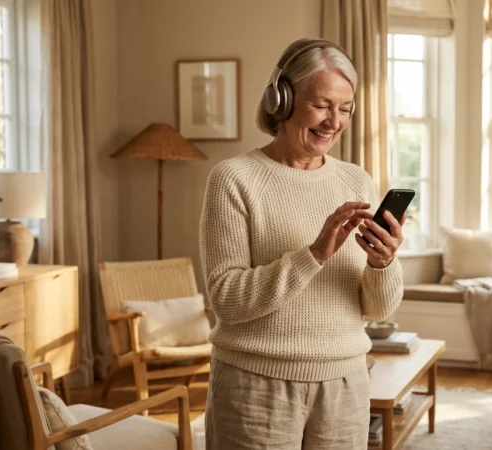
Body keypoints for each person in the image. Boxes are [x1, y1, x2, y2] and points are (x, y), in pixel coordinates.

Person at [199, 37, 405, 450]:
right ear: (283, 100)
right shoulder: (234, 179)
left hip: (345, 385)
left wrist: (383, 264)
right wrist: (314, 255)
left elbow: (378, 309)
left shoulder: (356, 180)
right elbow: (227, 299)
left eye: (344, 108)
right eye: (322, 105)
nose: (334, 121)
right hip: (256, 387)